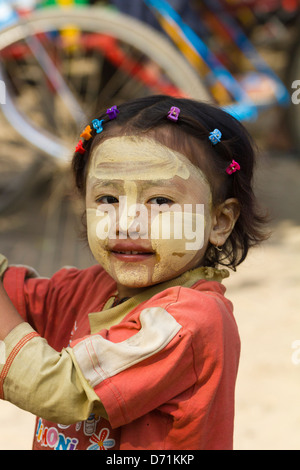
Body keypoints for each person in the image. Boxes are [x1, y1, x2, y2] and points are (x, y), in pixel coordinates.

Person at [0, 95, 267, 450]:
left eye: (159, 201)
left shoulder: (189, 322)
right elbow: (13, 296)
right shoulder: (88, 288)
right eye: (107, 199)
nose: (126, 224)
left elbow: (61, 391)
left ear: (219, 222)